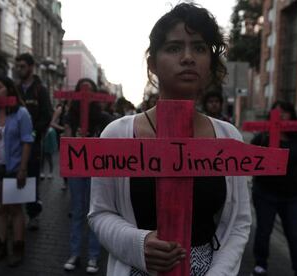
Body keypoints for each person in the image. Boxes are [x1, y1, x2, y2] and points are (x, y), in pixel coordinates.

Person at [88, 3, 251, 276]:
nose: (188, 57)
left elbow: (239, 222)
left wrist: (217, 272)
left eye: (199, 48)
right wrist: (139, 245)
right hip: (137, 268)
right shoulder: (116, 134)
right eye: (174, 47)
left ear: (210, 63)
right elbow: (100, 213)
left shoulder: (228, 137)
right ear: (152, 63)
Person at [0, 75, 33, 267]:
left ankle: (18, 248)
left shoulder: (21, 114)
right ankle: (0, 247)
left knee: (16, 210)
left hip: (14, 169)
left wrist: (23, 169)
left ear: (9, 89)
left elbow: (27, 141)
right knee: (1, 209)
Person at [251, 101, 297, 276]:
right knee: (263, 231)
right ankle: (260, 265)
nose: (281, 115)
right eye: (277, 112)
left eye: (285, 112)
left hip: (292, 196)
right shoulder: (262, 137)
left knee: (295, 235)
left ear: (291, 115)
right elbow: (251, 161)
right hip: (265, 193)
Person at [63, 78, 113, 274]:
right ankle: (74, 253)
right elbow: (67, 140)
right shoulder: (71, 116)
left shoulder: (104, 118)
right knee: (77, 211)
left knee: (94, 212)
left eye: (90, 91)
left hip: (96, 169)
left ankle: (93, 255)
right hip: (77, 169)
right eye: (82, 90)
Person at [15, 53, 52, 230]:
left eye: (22, 66)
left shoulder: (40, 90)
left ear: (30, 67)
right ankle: (15, 214)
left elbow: (47, 115)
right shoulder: (15, 89)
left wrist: (34, 132)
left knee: (31, 178)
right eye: (18, 66)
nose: (19, 69)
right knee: (15, 175)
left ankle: (33, 214)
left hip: (34, 143)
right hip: (16, 144)